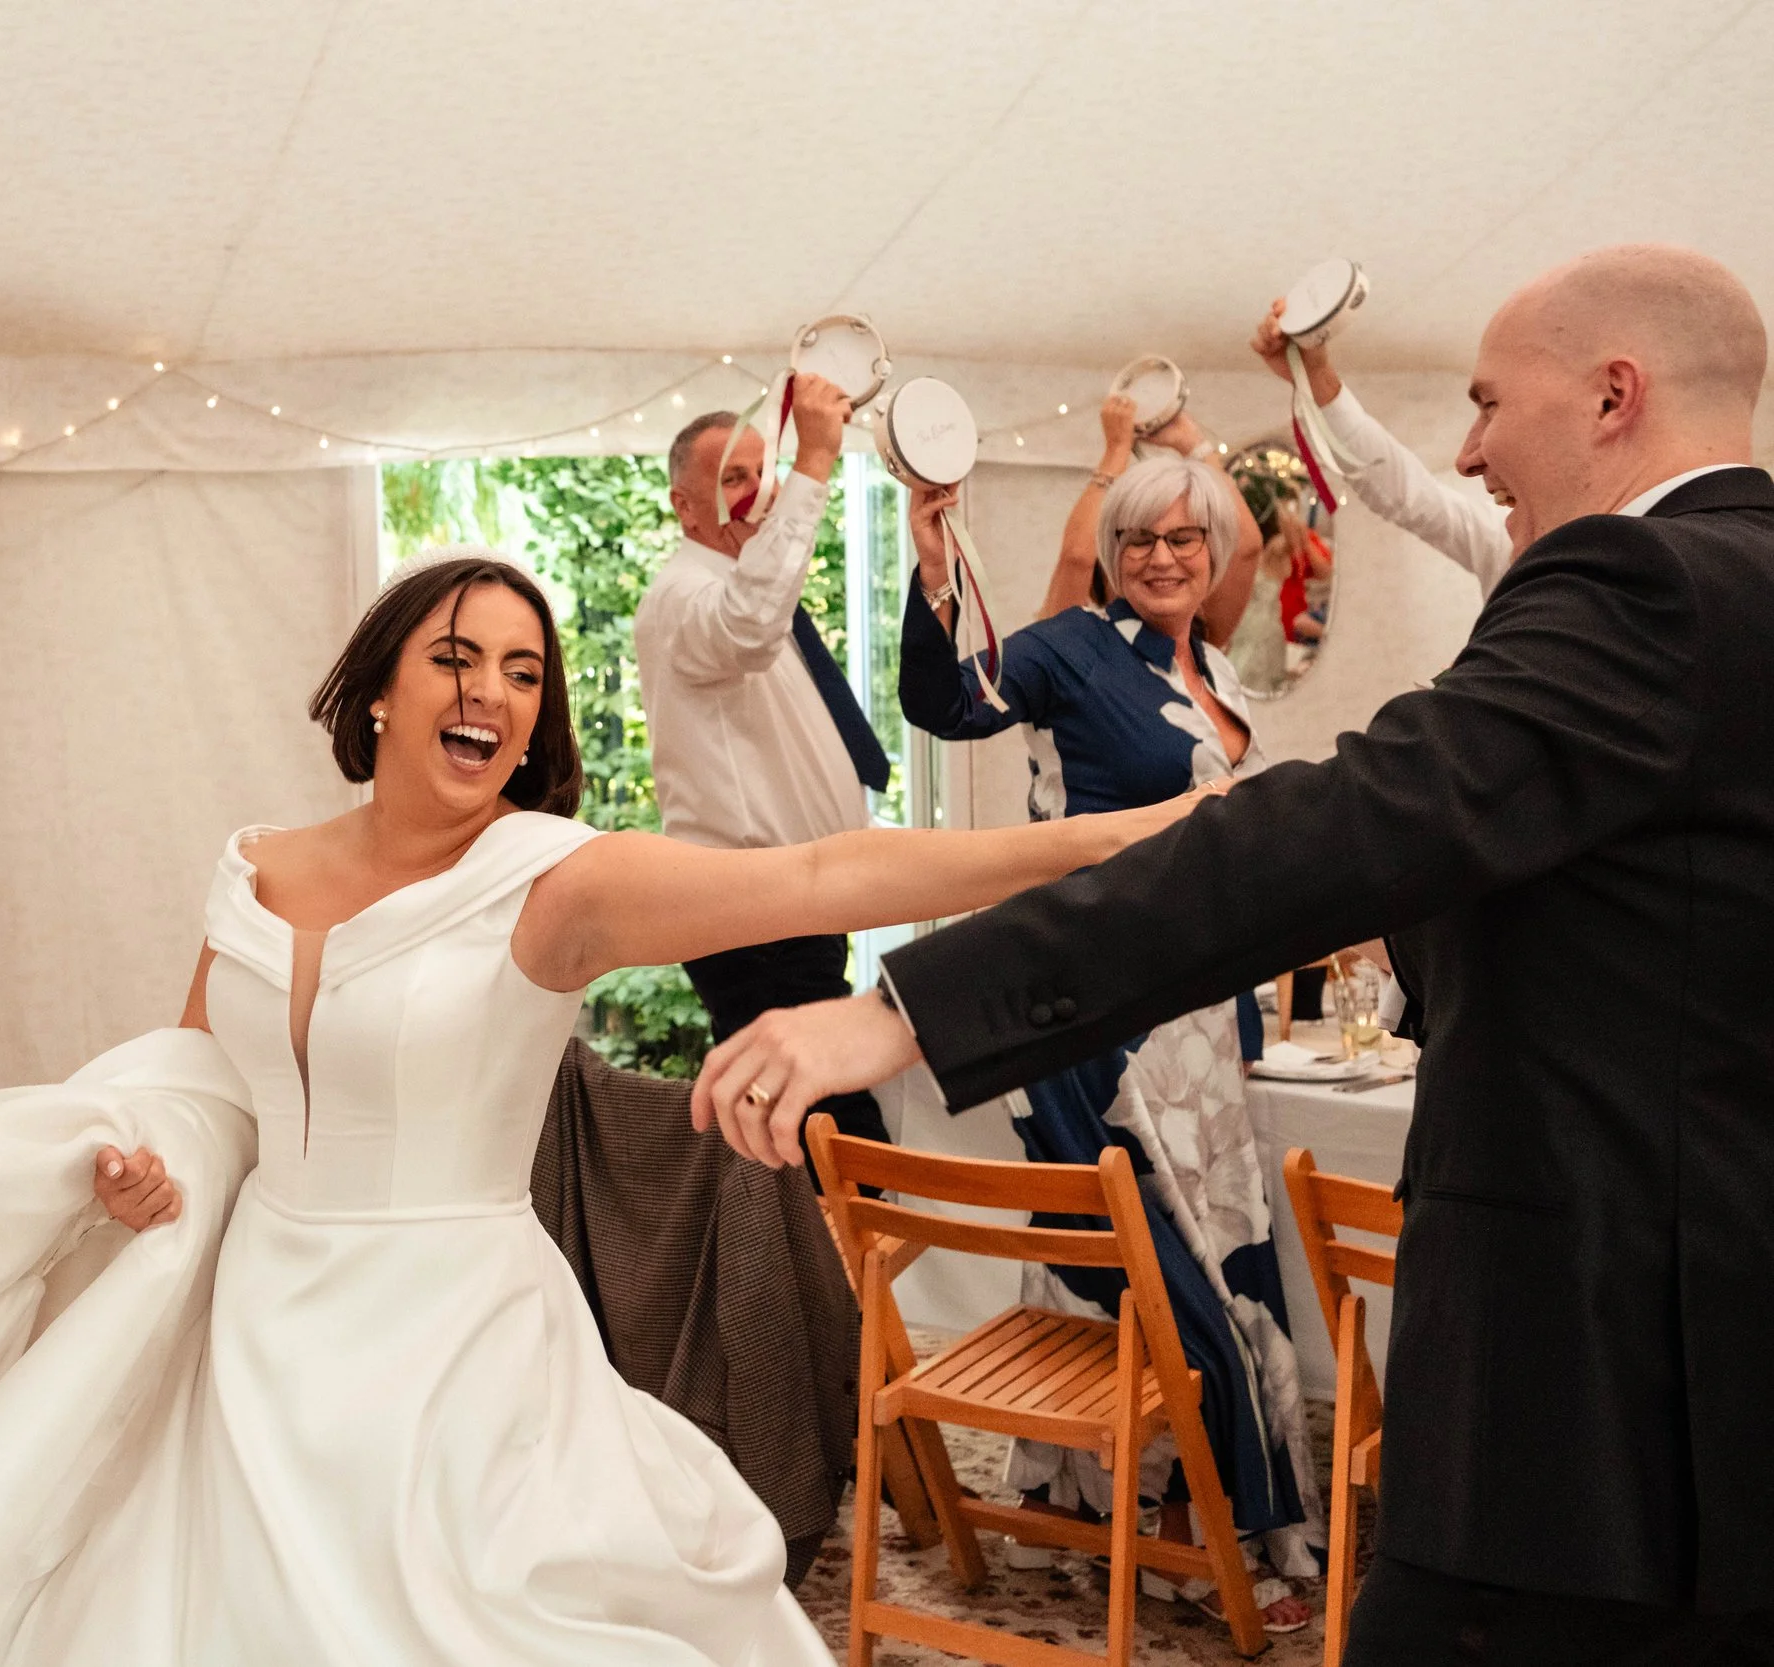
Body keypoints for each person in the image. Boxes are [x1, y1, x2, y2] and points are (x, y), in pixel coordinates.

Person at [0, 549, 1207, 1666]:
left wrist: (1116, 842)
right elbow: (196, 1068)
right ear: (381, 685)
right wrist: (141, 1162)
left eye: (525, 673)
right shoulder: (251, 863)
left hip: (454, 1349)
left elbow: (830, 862)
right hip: (249, 1319)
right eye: (460, 657)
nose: (492, 692)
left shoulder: (555, 883)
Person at [692, 244, 1774, 1663]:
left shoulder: (1644, 582)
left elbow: (1332, 829)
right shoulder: (1081, 649)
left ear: (1615, 394)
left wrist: (908, 1007)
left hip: (1598, 1370)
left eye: (1489, 401)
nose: (1470, 444)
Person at [895, 451, 1320, 1632]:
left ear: (1217, 553)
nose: (1163, 558)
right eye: (1139, 540)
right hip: (1106, 1007)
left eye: (1186, 540)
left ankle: (1127, 1496)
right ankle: (1219, 1522)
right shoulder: (1071, 646)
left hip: (1207, 1001)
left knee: (1225, 1241)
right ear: (1109, 553)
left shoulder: (1217, 663)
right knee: (1157, 1254)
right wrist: (936, 575)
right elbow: (949, 702)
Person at [634, 378, 894, 1155]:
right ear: (686, 508)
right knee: (821, 1144)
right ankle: (840, 1273)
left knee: (806, 1143)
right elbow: (746, 627)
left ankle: (831, 1269)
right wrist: (817, 456)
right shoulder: (684, 597)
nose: (758, 493)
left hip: (798, 912)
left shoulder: (752, 594)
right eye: (732, 480)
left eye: (763, 471)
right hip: (752, 916)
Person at [1253, 297, 1513, 595]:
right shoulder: (1502, 540)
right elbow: (1406, 494)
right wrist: (1316, 377)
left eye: (1492, 409)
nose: (1465, 459)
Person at [1037, 392, 1266, 647]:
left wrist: (1193, 444)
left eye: (1180, 541)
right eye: (1139, 542)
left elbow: (1246, 545)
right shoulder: (1075, 641)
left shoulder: (1201, 636)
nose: (1161, 560)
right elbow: (1076, 558)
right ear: (1107, 566)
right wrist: (1116, 453)